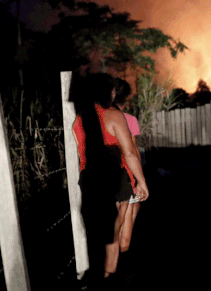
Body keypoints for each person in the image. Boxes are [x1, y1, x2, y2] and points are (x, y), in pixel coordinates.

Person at [72, 73, 149, 281]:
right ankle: (108, 277)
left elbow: (80, 153)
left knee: (96, 232)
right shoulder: (114, 115)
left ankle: (98, 274)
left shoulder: (79, 118)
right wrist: (141, 181)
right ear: (110, 92)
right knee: (113, 233)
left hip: (88, 180)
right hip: (114, 178)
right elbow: (131, 152)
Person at [113, 77, 143, 253]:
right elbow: (133, 151)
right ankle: (117, 265)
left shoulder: (98, 118)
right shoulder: (129, 119)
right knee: (129, 213)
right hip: (125, 176)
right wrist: (141, 179)